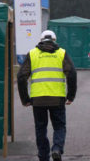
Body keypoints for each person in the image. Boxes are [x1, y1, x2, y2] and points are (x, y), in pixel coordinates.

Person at [17, 30, 77, 161]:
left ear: (40, 40)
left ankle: (43, 156)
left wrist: (25, 99)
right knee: (59, 126)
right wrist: (71, 96)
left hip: (38, 100)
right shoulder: (61, 53)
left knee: (40, 128)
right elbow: (72, 74)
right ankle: (57, 149)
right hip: (57, 98)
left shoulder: (32, 54)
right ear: (55, 40)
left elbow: (21, 77)